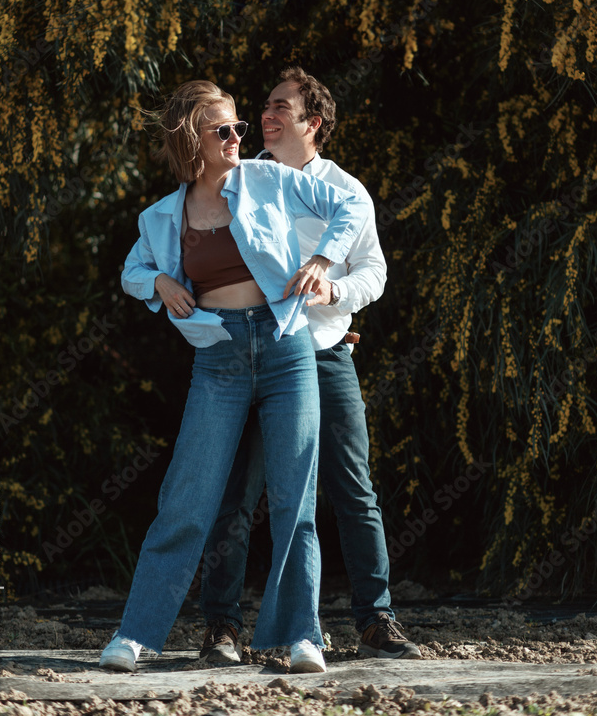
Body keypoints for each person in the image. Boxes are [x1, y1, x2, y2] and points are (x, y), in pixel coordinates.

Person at [99, 79, 369, 675]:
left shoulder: (267, 179)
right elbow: (131, 271)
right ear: (192, 139)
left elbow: (353, 206)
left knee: (294, 499)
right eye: (223, 130)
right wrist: (159, 283)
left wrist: (323, 258)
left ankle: (303, 635)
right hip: (218, 357)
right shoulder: (163, 216)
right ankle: (138, 634)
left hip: (285, 347)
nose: (238, 138)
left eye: (240, 127)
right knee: (187, 500)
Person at [198, 67, 422, 664]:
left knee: (353, 489)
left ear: (312, 123)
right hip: (250, 358)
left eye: (279, 108)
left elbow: (372, 272)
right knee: (237, 493)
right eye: (263, 106)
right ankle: (222, 627)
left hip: (324, 356)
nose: (264, 116)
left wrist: (333, 291)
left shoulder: (347, 191)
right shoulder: (237, 182)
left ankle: (376, 621)